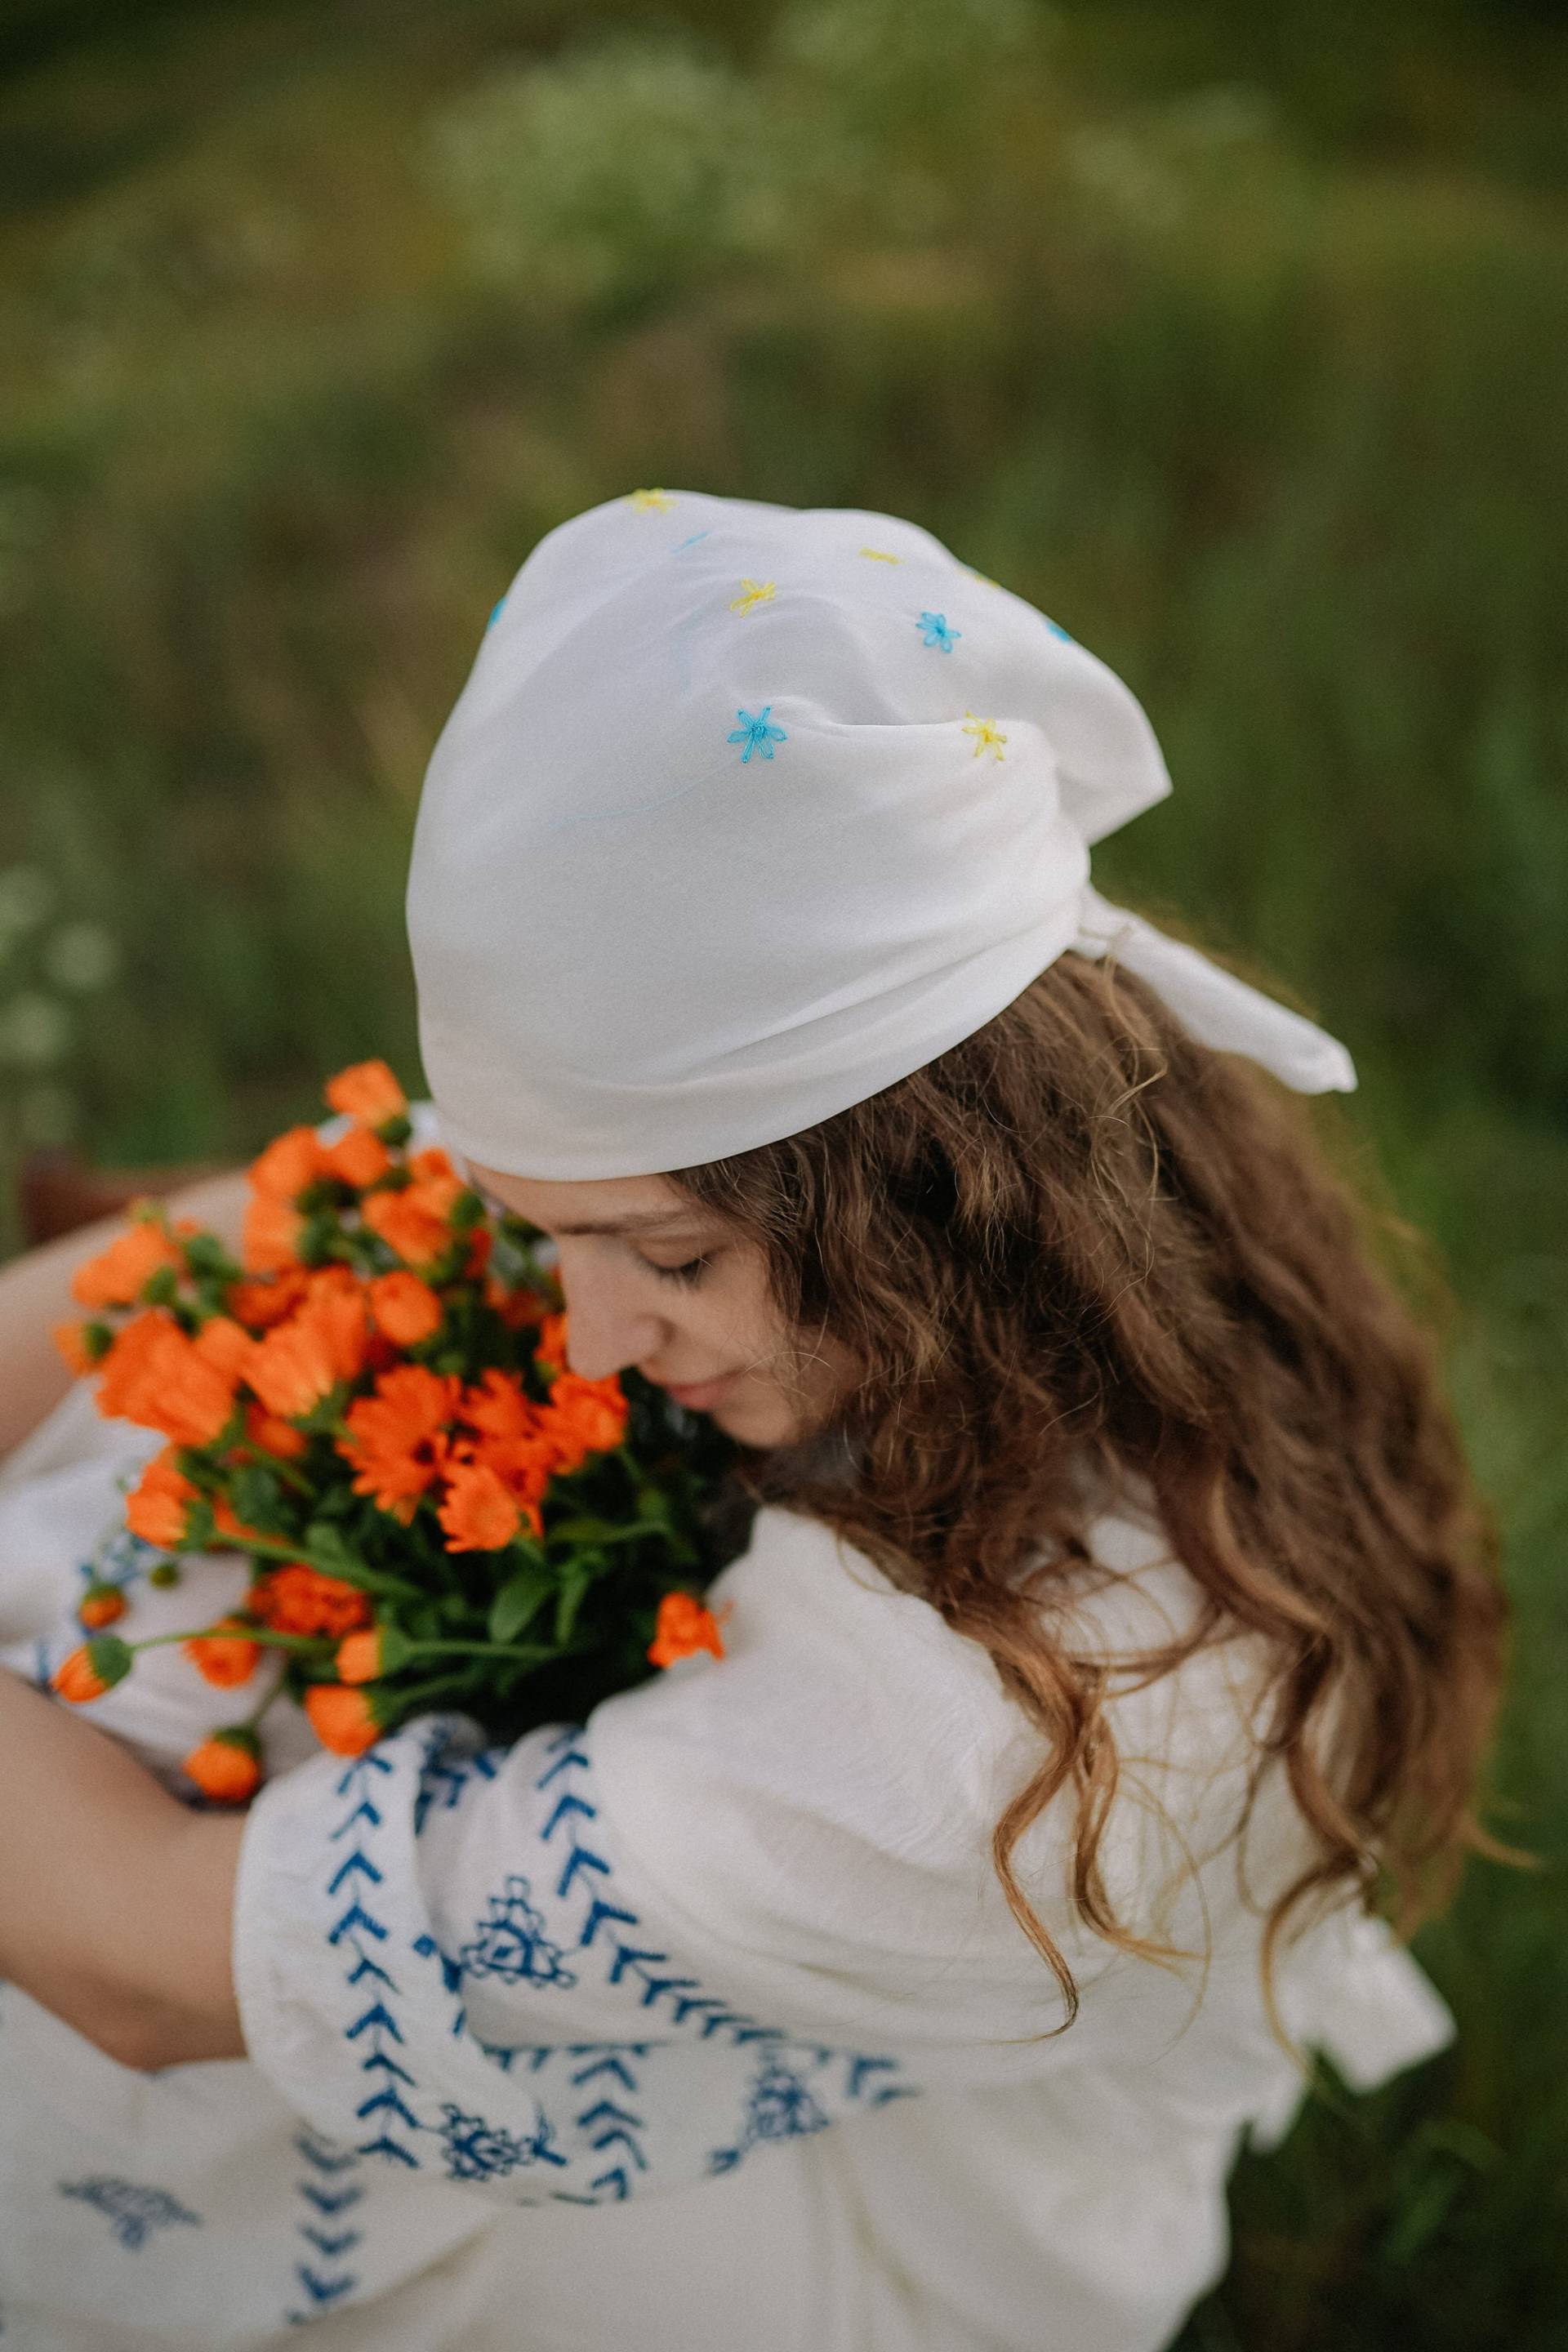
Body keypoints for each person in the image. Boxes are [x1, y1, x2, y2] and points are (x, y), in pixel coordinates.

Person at [0, 489, 1504, 2351]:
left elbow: (149, 1959)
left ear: (930, 1191)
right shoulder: (1061, 1199)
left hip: (889, 2248)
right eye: (548, 1232)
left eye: (662, 1259)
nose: (596, 1343)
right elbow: (336, 1197)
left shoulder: (1006, 1748)